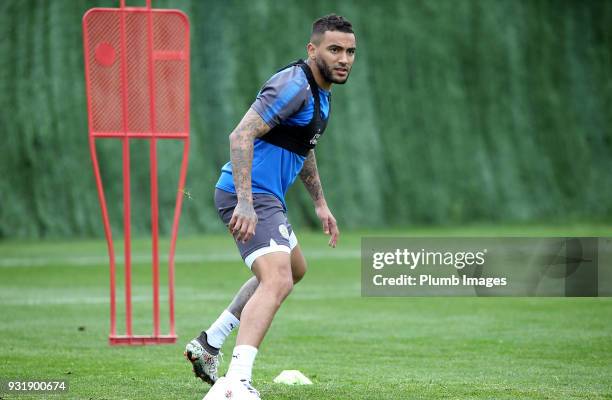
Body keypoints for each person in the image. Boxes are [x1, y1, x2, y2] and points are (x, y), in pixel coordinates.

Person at [185, 14, 356, 398]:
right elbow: (241, 134)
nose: (343, 58)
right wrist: (245, 202)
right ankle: (235, 383)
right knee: (277, 278)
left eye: (349, 51)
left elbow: (303, 149)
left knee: (294, 270)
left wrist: (321, 204)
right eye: (334, 49)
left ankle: (210, 343)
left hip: (264, 196)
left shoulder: (321, 94)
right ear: (312, 50)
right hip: (248, 194)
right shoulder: (294, 84)